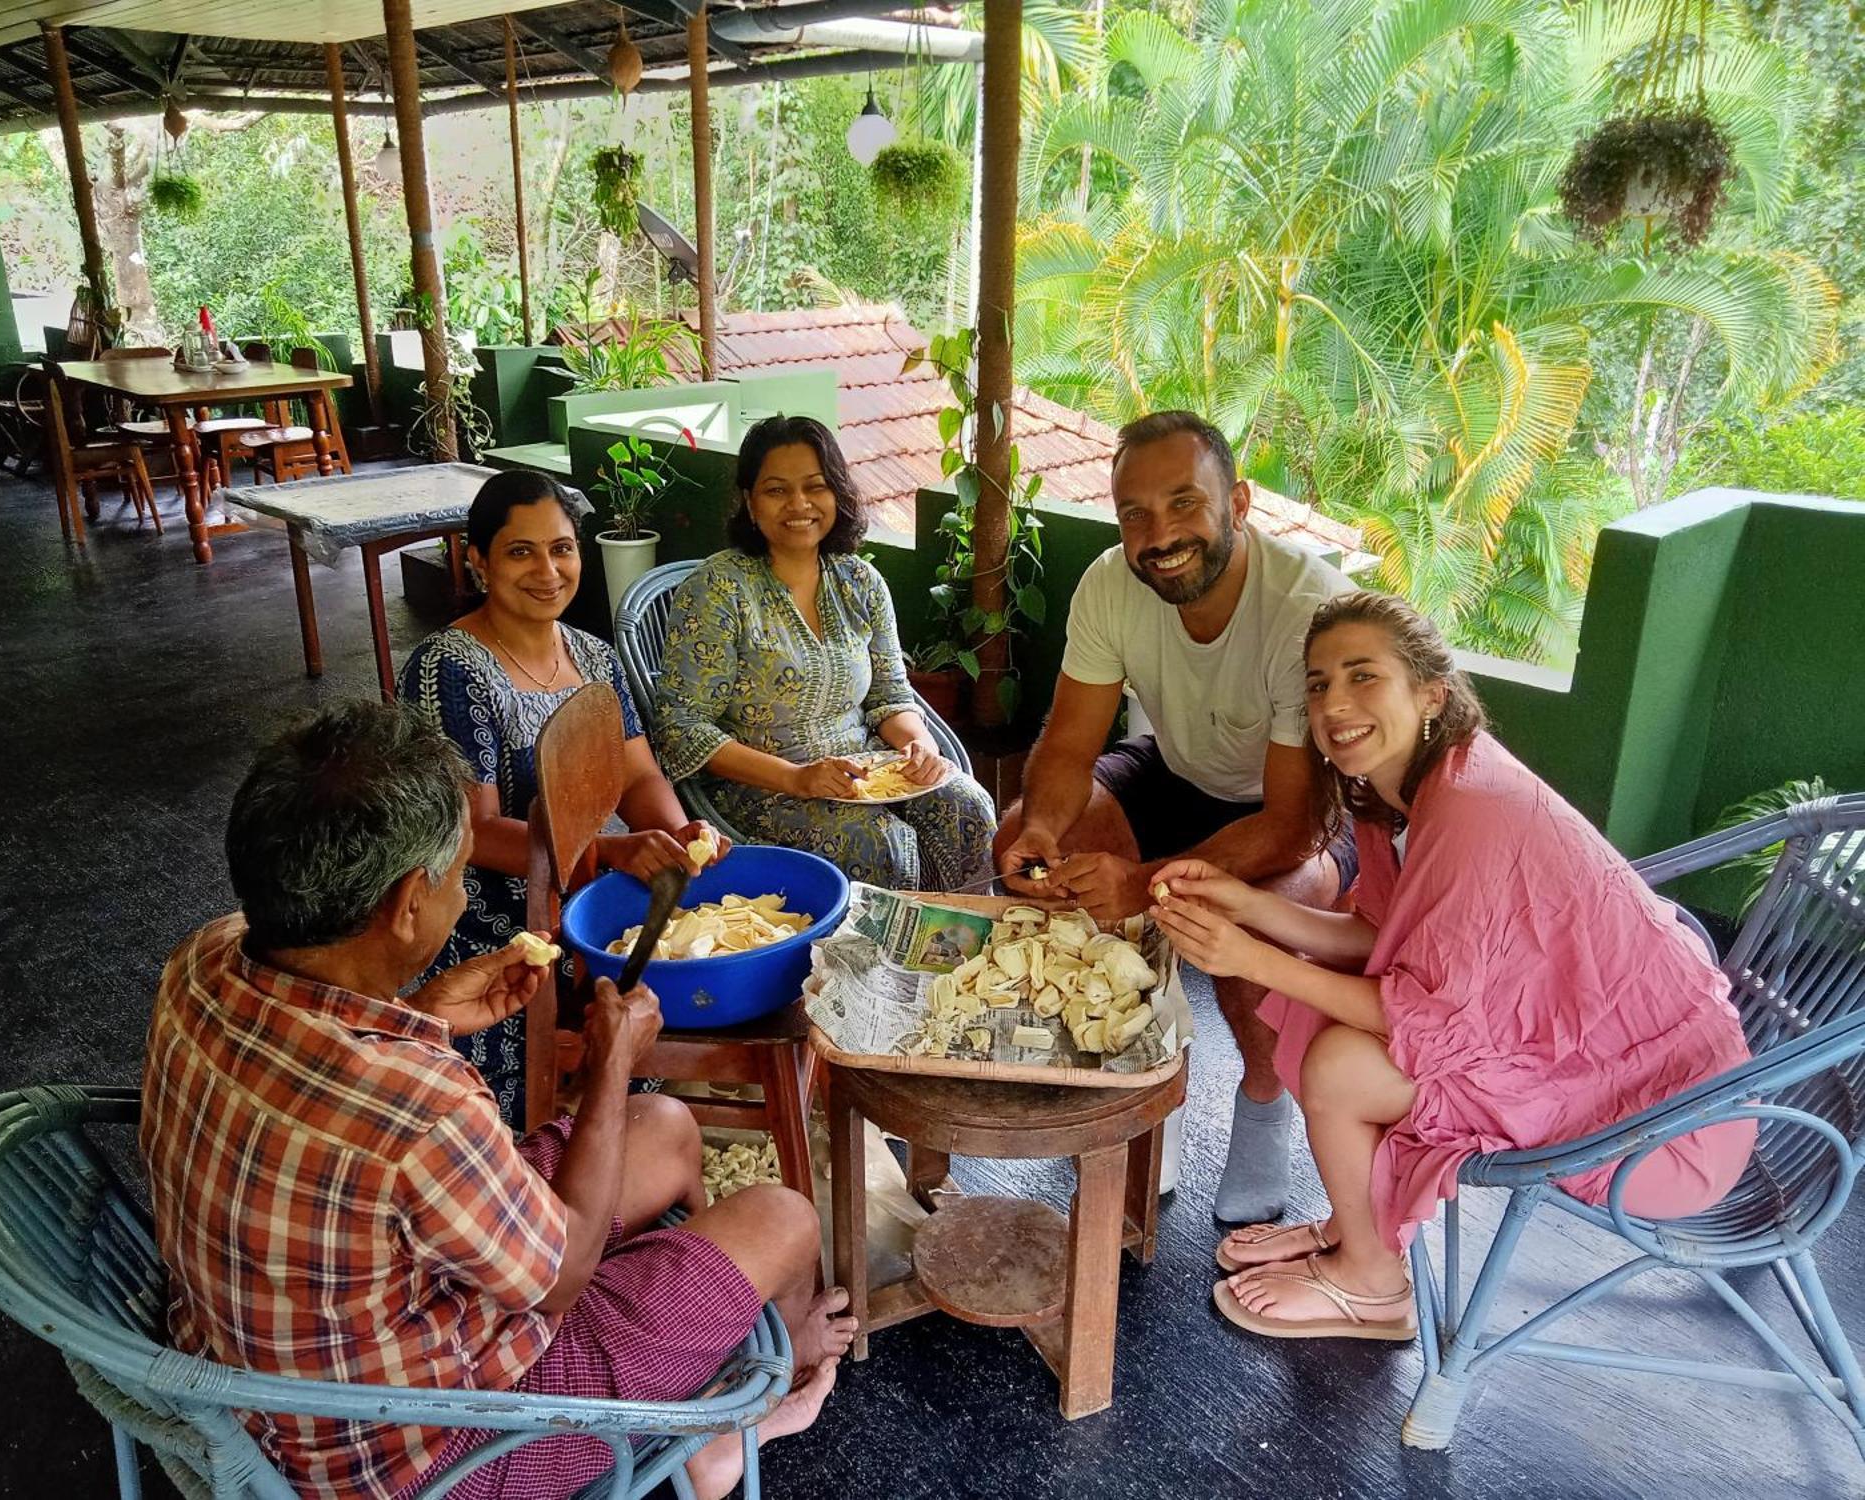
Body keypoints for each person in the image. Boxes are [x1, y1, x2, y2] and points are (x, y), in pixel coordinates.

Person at [139, 701, 854, 1500]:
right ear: (409, 902)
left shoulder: (203, 958)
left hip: (271, 1378)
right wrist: (612, 1064)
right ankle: (747, 1409)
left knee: (667, 1125)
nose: (460, 887)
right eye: (457, 868)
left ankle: (688, 1356)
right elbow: (559, 1278)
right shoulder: (419, 1107)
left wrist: (428, 1013)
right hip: (437, 1452)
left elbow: (332, 1078)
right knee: (785, 1218)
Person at [1150, 592, 1756, 1341]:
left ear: (1431, 692)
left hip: (1660, 1121)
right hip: (1593, 1057)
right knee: (1317, 1004)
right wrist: (1245, 904)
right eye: (1318, 683)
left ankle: (1373, 1286)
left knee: (1340, 1060)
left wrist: (1248, 959)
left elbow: (1426, 1016)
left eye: (1363, 675)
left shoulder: (1472, 807)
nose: (1335, 702)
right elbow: (1380, 936)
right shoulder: (1395, 794)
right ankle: (1353, 1228)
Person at [994, 410, 1352, 1223]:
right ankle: (1143, 1074)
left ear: (1239, 503)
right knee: (1020, 832)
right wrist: (1046, 830)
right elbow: (1067, 748)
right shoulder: (1110, 584)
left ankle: (1264, 1099)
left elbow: (1290, 823)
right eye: (1135, 514)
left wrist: (1144, 882)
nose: (1159, 534)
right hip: (1178, 770)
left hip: (1289, 808)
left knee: (1244, 926)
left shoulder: (1304, 608)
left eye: (1184, 503)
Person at [400, 469, 724, 1129]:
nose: (547, 570)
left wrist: (678, 838)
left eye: (562, 548)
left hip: (591, 883)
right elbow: (475, 832)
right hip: (496, 914)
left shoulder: (596, 657)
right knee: (523, 1106)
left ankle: (633, 1135)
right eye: (521, 551)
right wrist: (604, 854)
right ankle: (572, 1165)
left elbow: (637, 777)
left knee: (684, 948)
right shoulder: (448, 668)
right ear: (478, 560)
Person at [652, 414, 996, 890]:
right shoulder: (717, 589)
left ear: (837, 493)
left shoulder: (861, 583)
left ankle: (960, 947)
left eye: (816, 486)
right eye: (776, 490)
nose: (799, 504)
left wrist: (921, 747)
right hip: (759, 788)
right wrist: (797, 778)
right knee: (880, 844)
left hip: (866, 768)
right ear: (750, 503)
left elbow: (890, 696)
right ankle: (875, 964)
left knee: (966, 807)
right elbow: (681, 726)